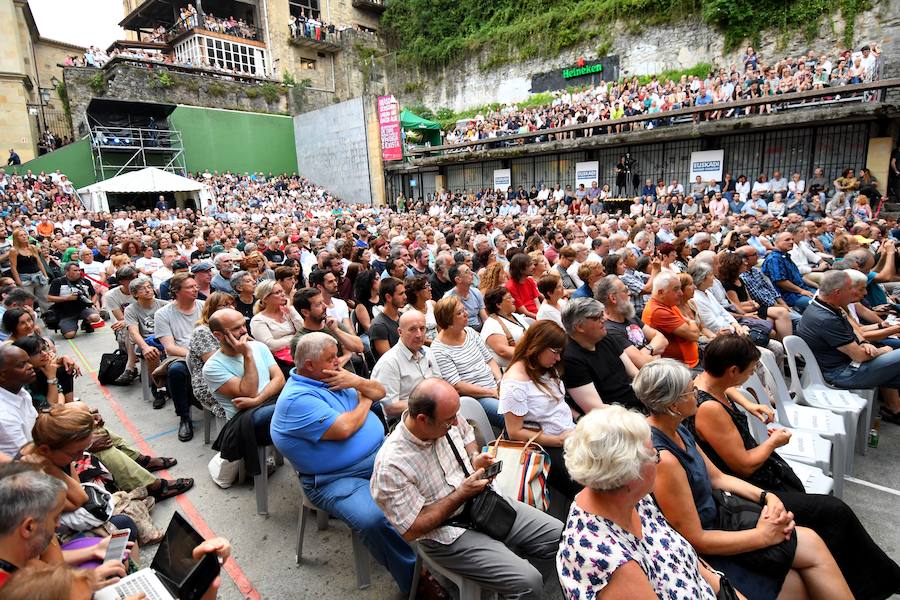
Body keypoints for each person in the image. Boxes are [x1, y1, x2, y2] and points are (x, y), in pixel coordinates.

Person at [690, 334, 900, 599]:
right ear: (732, 370)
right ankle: (880, 582)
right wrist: (773, 442)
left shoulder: (702, 379)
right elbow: (743, 466)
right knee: (834, 512)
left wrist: (748, 402)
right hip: (747, 488)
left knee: (830, 514)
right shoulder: (710, 410)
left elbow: (725, 387)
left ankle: (870, 578)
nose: (750, 376)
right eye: (749, 371)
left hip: (759, 476)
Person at [637, 359, 853, 600]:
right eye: (692, 390)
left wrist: (767, 497)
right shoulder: (664, 459)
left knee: (805, 561)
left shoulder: (675, 428)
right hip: (713, 543)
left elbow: (717, 478)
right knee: (799, 576)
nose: (698, 393)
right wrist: (763, 536)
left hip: (723, 519)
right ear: (674, 404)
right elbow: (695, 538)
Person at [370, 378, 563, 600]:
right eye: (448, 421)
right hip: (447, 534)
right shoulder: (391, 465)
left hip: (484, 503)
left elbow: (466, 434)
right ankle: (517, 585)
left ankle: (510, 587)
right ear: (423, 419)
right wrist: (461, 494)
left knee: (559, 537)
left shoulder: (448, 417)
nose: (455, 423)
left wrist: (475, 458)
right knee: (528, 582)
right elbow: (412, 529)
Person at [270, 332, 416, 595]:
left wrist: (357, 381)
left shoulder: (333, 376)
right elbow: (346, 428)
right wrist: (364, 398)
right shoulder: (297, 399)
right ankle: (415, 579)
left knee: (426, 471)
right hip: (334, 478)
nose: (339, 361)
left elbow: (379, 391)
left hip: (379, 454)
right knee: (373, 519)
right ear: (309, 365)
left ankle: (442, 545)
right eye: (331, 358)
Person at [557, 405, 720, 599]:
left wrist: (725, 589)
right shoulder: (614, 565)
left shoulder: (631, 498)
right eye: (653, 454)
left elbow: (684, 556)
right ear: (631, 476)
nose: (658, 459)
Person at [21, 403, 192, 501]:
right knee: (102, 450)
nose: (81, 455)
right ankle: (151, 485)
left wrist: (87, 420)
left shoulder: (51, 449)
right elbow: (80, 499)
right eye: (76, 452)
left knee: (97, 432)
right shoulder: (31, 476)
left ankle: (139, 461)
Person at [797, 269, 900, 423]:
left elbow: (853, 330)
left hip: (848, 366)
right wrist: (884, 350)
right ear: (838, 292)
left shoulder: (828, 306)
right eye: (850, 288)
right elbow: (859, 356)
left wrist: (864, 342)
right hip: (844, 373)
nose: (855, 292)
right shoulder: (825, 318)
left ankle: (893, 409)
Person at [499, 321, 579, 500]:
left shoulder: (545, 367)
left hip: (568, 434)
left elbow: (557, 405)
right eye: (555, 352)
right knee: (591, 481)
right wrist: (558, 440)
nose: (558, 358)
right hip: (546, 446)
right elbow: (514, 432)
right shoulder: (515, 383)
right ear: (538, 346)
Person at [204, 308, 284, 442]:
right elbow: (249, 392)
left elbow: (280, 379)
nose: (244, 331)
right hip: (244, 420)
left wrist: (257, 400)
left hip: (269, 404)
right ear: (218, 335)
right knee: (292, 408)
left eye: (244, 324)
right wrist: (247, 355)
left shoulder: (259, 346)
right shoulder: (213, 367)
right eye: (236, 328)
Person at [431, 296, 503, 428]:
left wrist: (500, 381)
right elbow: (458, 386)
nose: (466, 314)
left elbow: (489, 360)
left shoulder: (470, 332)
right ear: (448, 321)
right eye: (459, 313)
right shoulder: (439, 349)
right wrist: (492, 392)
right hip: (477, 397)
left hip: (494, 386)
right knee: (509, 414)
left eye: (464, 310)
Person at [560, 297, 640, 415]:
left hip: (635, 400)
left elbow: (634, 373)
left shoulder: (605, 336)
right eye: (598, 317)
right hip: (616, 417)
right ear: (579, 327)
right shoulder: (570, 359)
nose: (605, 319)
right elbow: (594, 408)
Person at [154, 272, 204, 442]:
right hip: (181, 355)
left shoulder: (204, 306)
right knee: (176, 371)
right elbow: (170, 347)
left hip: (207, 351)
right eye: (190, 287)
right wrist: (196, 355)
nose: (195, 289)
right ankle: (184, 417)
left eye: (196, 286)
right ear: (176, 291)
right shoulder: (163, 314)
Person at [370, 310, 441, 422]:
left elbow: (439, 383)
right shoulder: (389, 363)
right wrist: (427, 404)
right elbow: (390, 408)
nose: (419, 335)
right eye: (412, 329)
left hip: (435, 412)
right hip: (406, 420)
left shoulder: (428, 352)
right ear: (400, 332)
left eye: (422, 328)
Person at [595, 275, 667, 369]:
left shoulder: (629, 315)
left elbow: (662, 339)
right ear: (613, 298)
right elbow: (643, 364)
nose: (630, 293)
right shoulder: (609, 330)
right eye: (625, 291)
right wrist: (656, 355)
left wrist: (647, 350)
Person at [187, 292, 235, 422]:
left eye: (231, 304)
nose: (231, 308)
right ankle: (233, 434)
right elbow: (217, 365)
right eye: (225, 305)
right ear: (212, 310)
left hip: (235, 371)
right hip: (210, 381)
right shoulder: (203, 332)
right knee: (248, 395)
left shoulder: (232, 326)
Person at [123, 277, 169, 407]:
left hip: (165, 338)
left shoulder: (164, 304)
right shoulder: (131, 309)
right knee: (151, 351)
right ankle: (159, 388)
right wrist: (144, 347)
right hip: (147, 341)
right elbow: (134, 332)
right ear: (135, 294)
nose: (148, 290)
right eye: (143, 288)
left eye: (149, 287)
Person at [641, 272, 701, 369]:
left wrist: (690, 323)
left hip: (693, 361)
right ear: (661, 292)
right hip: (684, 368)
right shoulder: (658, 311)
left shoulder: (669, 304)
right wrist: (692, 322)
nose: (681, 293)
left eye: (680, 288)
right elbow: (694, 335)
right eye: (676, 289)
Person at [101, 266, 139, 385]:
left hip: (142, 322)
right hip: (124, 328)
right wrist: (129, 321)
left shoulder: (142, 289)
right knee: (130, 330)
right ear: (122, 281)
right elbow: (120, 318)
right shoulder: (111, 295)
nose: (135, 280)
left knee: (130, 328)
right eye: (131, 278)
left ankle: (130, 367)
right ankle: (131, 366)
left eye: (136, 277)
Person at [761, 232, 815, 313]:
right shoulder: (774, 259)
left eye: (792, 239)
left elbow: (799, 276)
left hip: (801, 289)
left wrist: (817, 285)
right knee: (818, 304)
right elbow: (781, 281)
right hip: (790, 295)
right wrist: (801, 291)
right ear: (776, 242)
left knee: (826, 295)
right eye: (787, 240)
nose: (791, 242)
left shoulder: (785, 256)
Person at [249, 280, 302, 360]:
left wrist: (291, 309)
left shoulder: (288, 311)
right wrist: (296, 337)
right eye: (278, 292)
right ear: (265, 298)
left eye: (282, 291)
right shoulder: (258, 320)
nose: (283, 294)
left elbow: (304, 330)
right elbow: (271, 346)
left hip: (298, 353)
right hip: (277, 360)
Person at [0, 345, 38, 458]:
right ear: (2, 375)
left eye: (28, 362)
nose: (30, 366)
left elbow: (37, 425)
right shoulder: (4, 416)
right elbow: (26, 458)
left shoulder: (20, 391)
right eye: (22, 365)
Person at [47, 263, 102, 339]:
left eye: (79, 270)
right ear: (66, 271)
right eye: (75, 270)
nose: (78, 272)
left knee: (95, 317)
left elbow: (94, 294)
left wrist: (92, 303)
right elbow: (50, 298)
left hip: (83, 309)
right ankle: (68, 326)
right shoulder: (58, 282)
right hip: (65, 312)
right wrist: (67, 298)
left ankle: (86, 323)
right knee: (69, 335)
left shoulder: (85, 282)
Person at [480, 287, 530, 368]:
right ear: (498, 304)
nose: (513, 300)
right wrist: (533, 352)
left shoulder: (516, 316)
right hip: (512, 370)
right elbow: (503, 351)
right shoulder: (492, 325)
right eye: (509, 298)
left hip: (527, 362)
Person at [369, 277, 405, 361]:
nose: (405, 297)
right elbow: (389, 359)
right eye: (401, 294)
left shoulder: (403, 317)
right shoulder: (379, 326)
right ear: (388, 297)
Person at [445, 263, 487, 330]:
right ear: (458, 279)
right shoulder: (448, 298)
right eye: (467, 272)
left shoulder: (476, 292)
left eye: (470, 270)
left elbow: (484, 318)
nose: (472, 273)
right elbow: (449, 325)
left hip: (478, 328)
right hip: (460, 330)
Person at [505, 253, 540, 319]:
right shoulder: (510, 287)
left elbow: (537, 302)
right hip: (526, 318)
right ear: (521, 270)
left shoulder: (530, 280)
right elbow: (524, 312)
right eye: (530, 265)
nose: (534, 267)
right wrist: (540, 318)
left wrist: (541, 314)